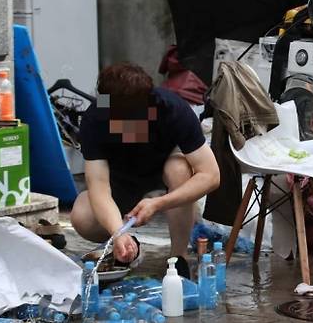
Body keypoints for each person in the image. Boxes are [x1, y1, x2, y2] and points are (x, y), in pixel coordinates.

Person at [70, 63, 220, 278]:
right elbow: (99, 187)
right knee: (82, 217)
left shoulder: (172, 108)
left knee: (178, 170)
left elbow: (211, 175)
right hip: (123, 180)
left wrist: (159, 203)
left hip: (164, 172)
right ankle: (129, 245)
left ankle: (178, 258)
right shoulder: (96, 118)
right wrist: (119, 233)